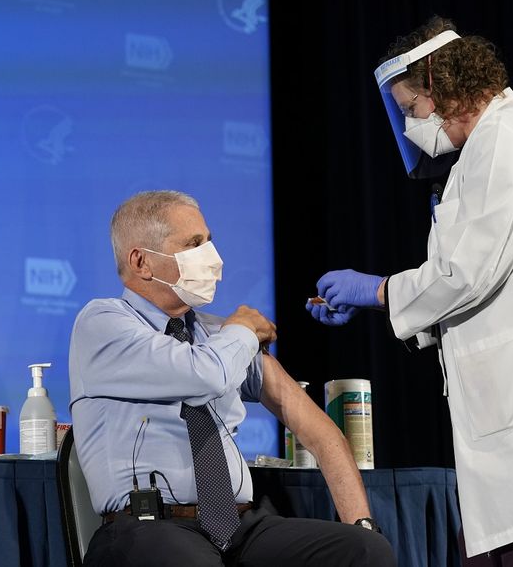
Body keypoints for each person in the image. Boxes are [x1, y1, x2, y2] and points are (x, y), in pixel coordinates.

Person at [306, 16, 513, 565]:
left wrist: (378, 291)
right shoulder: (490, 142)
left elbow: (467, 270)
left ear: (440, 85)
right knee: (506, 532)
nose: (412, 125)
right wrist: (385, 302)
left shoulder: (509, 135)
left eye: (411, 108)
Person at [69, 190, 395, 567]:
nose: (212, 257)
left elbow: (319, 431)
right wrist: (242, 331)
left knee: (364, 550)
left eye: (209, 241)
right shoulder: (104, 323)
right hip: (148, 528)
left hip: (241, 526)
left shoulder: (220, 335)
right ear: (141, 261)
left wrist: (362, 524)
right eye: (194, 244)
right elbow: (203, 375)